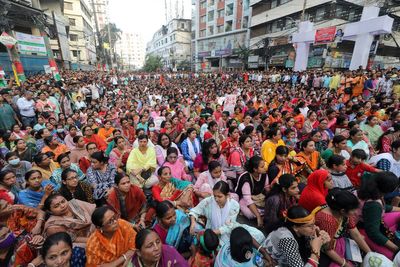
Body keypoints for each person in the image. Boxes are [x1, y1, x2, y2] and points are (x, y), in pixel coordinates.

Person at [189, 181, 265, 246]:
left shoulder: (234, 205)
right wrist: (193, 224)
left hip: (229, 230)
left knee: (258, 235)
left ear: (227, 195)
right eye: (214, 196)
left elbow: (229, 226)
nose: (216, 199)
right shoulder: (209, 201)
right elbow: (194, 211)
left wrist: (212, 233)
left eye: (219, 196)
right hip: (212, 229)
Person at [315, 188, 371, 267]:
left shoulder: (343, 211)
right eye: (353, 210)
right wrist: (346, 264)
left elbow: (355, 233)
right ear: (342, 211)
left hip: (337, 242)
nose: (356, 212)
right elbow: (327, 249)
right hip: (326, 248)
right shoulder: (328, 220)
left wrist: (370, 254)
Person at [265, 205, 331, 267]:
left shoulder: (302, 230)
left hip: (295, 255)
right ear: (295, 227)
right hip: (275, 263)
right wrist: (316, 250)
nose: (314, 228)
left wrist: (323, 240)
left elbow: (316, 245)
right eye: (310, 226)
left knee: (326, 259)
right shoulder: (286, 239)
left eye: (314, 224)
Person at [358, 171, 400, 260]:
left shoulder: (372, 190)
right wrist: (396, 249)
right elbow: (373, 233)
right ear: (389, 189)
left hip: (372, 220)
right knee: (394, 257)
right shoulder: (373, 204)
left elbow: (384, 207)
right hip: (364, 230)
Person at [235, 155, 269, 226]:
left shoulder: (264, 175)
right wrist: (258, 216)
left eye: (264, 165)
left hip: (257, 197)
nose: (265, 168)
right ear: (255, 169)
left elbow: (266, 188)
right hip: (243, 199)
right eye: (262, 167)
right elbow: (247, 199)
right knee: (251, 215)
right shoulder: (246, 178)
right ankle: (242, 209)